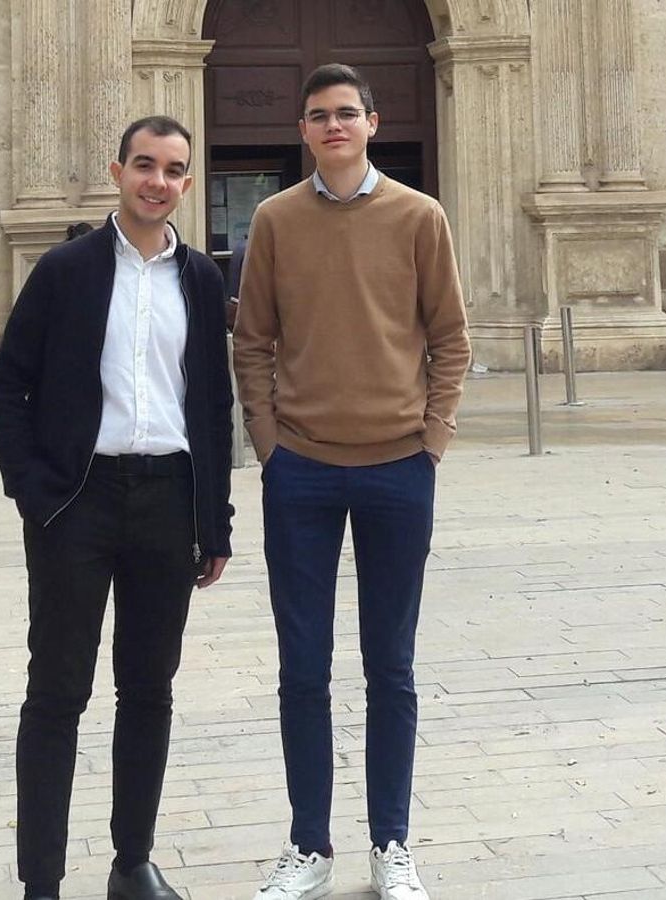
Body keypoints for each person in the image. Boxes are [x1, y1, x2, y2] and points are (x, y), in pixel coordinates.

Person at [232, 63, 471, 900]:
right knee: (303, 666)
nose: (333, 127)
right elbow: (251, 339)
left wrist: (431, 438)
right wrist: (268, 443)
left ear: (373, 122)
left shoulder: (419, 217)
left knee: (391, 668)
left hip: (398, 471)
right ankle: (309, 846)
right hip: (299, 472)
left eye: (346, 114)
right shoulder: (274, 220)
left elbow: (450, 335)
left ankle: (391, 843)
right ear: (302, 131)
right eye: (317, 116)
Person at [0, 115, 234, 900]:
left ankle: (133, 864)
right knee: (57, 692)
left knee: (149, 691)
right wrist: (35, 490)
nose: (158, 181)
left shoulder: (200, 279)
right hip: (76, 507)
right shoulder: (66, 271)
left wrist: (214, 519)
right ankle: (42, 885)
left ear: (187, 184)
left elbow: (212, 407)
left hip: (167, 500)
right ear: (118, 171)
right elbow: (5, 385)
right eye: (145, 166)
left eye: (174, 170)